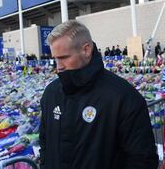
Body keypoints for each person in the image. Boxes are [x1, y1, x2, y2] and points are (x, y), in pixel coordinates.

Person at [39, 20, 158, 169]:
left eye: (64, 58)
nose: (58, 67)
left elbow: (142, 159)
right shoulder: (51, 93)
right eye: (55, 59)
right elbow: (44, 142)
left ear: (86, 50)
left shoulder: (122, 96)